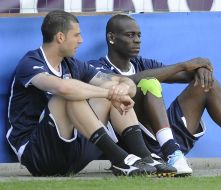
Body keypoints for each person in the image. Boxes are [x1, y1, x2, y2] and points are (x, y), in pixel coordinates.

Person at [6, 10, 177, 177]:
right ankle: (121, 158)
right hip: (38, 155)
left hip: (72, 155)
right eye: (76, 35)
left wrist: (122, 90)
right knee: (70, 95)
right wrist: (109, 93)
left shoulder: (73, 65)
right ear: (60, 37)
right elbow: (64, 88)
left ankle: (145, 157)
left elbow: (125, 83)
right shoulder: (30, 63)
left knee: (105, 95)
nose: (81, 41)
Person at [88, 14, 221, 175]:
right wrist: (184, 65)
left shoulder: (144, 64)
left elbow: (186, 75)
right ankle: (171, 153)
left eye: (139, 35)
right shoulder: (95, 67)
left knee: (207, 85)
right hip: (138, 151)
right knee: (148, 83)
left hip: (167, 140)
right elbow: (124, 81)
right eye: (130, 35)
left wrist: (201, 68)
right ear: (111, 38)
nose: (137, 40)